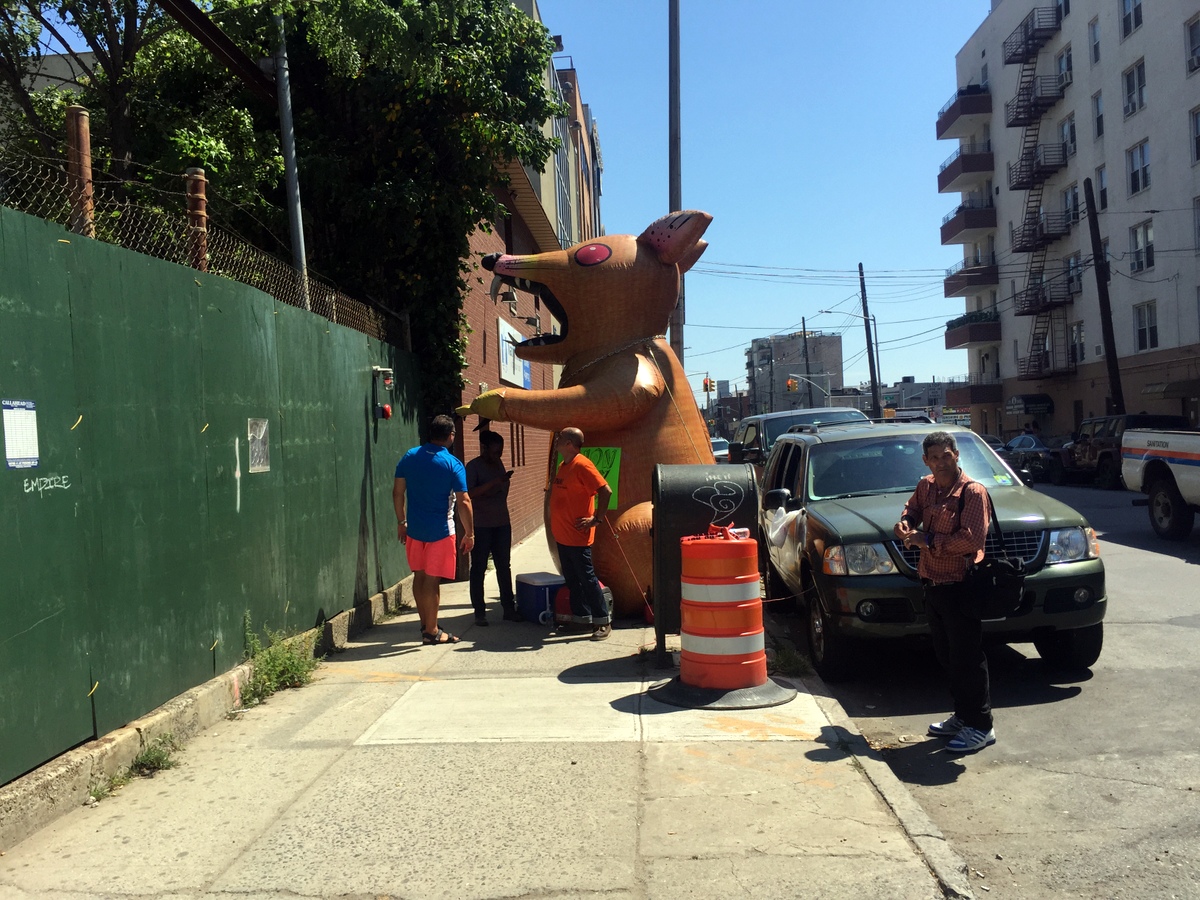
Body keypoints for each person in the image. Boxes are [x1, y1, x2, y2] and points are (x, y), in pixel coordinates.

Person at [893, 431, 994, 753]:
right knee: (947, 656)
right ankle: (963, 716)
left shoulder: (972, 492)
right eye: (934, 458)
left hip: (961, 586)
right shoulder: (926, 486)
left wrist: (926, 540)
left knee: (967, 658)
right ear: (926, 461)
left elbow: (972, 539)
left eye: (946, 456)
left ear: (956, 455)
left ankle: (981, 726)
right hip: (932, 583)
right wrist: (906, 523)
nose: (941, 463)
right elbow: (912, 508)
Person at [393, 415, 474, 645]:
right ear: (451, 436)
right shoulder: (452, 464)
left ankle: (425, 625)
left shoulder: (410, 456)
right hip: (441, 532)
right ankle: (432, 631)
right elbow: (464, 501)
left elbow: (397, 492)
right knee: (432, 581)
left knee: (419, 577)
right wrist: (470, 533)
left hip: (414, 531)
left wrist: (402, 522)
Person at [548, 427, 613, 641]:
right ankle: (581, 619)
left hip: (578, 537)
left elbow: (605, 491)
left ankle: (602, 621)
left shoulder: (583, 465)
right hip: (563, 536)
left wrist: (597, 519)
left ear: (569, 444)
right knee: (573, 580)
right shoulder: (563, 465)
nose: (557, 440)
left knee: (587, 579)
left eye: (560, 437)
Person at [466, 430, 517, 625]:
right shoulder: (473, 467)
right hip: (481, 525)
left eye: (501, 452)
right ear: (484, 448)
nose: (498, 456)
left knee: (504, 566)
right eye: (495, 452)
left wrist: (500, 484)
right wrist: (493, 484)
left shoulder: (498, 464)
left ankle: (509, 609)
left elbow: (502, 491)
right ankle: (479, 612)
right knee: (478, 568)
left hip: (502, 523)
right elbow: (469, 494)